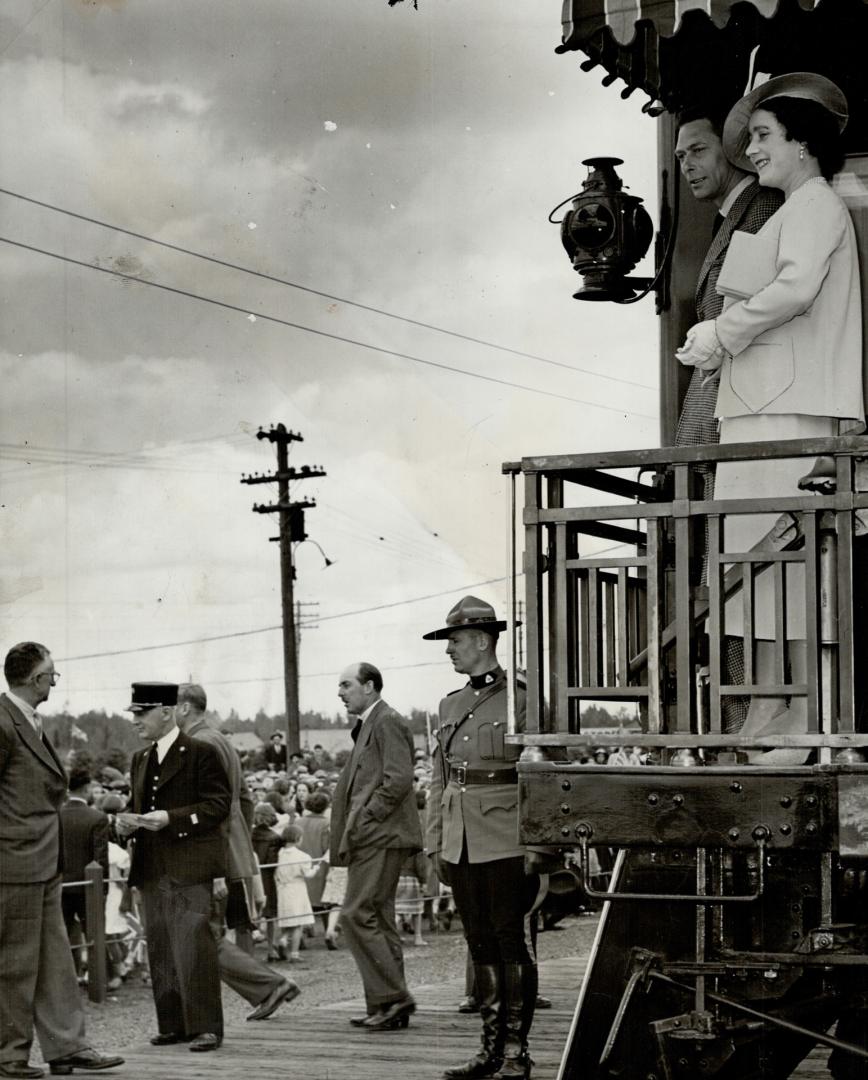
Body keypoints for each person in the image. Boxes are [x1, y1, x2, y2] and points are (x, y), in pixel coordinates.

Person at [676, 73, 863, 744]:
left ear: (802, 141)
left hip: (792, 412)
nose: (749, 151)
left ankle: (804, 715)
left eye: (762, 136)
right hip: (760, 411)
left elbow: (794, 290)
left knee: (783, 568)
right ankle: (762, 710)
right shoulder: (789, 210)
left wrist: (721, 333)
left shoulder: (816, 205)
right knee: (751, 571)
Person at [424, 597, 544, 1080]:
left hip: (507, 836)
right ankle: (490, 1050)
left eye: (454, 641)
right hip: (461, 839)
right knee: (479, 946)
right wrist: (435, 841)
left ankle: (516, 1052)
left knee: (509, 942)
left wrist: (539, 843)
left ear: (482, 641)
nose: (449, 650)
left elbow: (541, 773)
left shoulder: (523, 697)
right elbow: (439, 778)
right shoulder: (448, 704)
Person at [0, 642, 123, 1079]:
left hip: (44, 861)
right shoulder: (4, 722)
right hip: (14, 864)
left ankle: (67, 1047)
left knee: (55, 960)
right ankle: (9, 1056)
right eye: (52, 674)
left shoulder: (26, 722)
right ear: (35, 679)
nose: (55, 680)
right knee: (15, 964)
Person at [174, 683, 300, 1022]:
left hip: (208, 852)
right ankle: (266, 987)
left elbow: (209, 808)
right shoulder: (222, 742)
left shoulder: (198, 743)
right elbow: (243, 799)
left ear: (185, 708)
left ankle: (268, 985)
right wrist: (235, 843)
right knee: (201, 933)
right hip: (225, 847)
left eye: (172, 706)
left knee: (200, 934)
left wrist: (216, 856)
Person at [117, 681, 231, 1053]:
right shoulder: (139, 758)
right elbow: (139, 803)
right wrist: (124, 822)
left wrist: (173, 818)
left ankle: (206, 1027)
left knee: (193, 946)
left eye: (142, 713)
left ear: (167, 712)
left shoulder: (201, 752)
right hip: (151, 867)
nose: (136, 721)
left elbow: (218, 806)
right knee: (161, 948)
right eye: (134, 714)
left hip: (189, 865)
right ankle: (173, 1024)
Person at [330, 662, 422, 1031]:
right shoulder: (370, 724)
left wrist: (366, 819)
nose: (340, 692)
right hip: (374, 835)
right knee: (378, 918)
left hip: (379, 836)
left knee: (355, 914)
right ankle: (387, 1007)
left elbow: (398, 779)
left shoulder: (386, 721)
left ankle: (393, 997)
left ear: (369, 687)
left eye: (346, 684)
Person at [60, 767, 110, 980]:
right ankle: (98, 977)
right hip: (88, 885)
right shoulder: (97, 818)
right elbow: (100, 858)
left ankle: (69, 977)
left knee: (62, 934)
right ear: (87, 787)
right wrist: (103, 888)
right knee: (94, 933)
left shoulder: (56, 816)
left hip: (61, 884)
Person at [275, 823, 319, 960]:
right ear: (298, 838)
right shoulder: (302, 856)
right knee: (298, 922)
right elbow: (308, 874)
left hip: (282, 888)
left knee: (288, 919)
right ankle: (294, 953)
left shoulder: (278, 854)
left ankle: (283, 939)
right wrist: (316, 868)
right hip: (297, 888)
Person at [251, 802, 284, 960]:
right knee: (270, 915)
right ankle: (271, 948)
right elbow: (273, 861)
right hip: (267, 877)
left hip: (252, 875)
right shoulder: (275, 837)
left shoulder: (248, 834)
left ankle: (249, 949)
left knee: (252, 912)